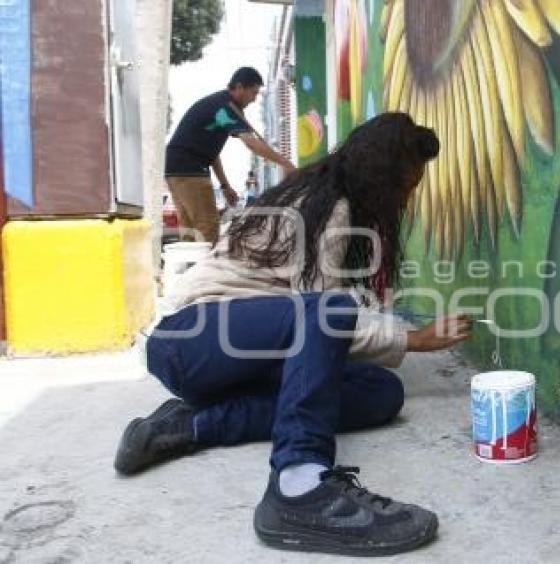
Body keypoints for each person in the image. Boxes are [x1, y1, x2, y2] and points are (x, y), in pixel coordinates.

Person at [116, 113, 471, 556]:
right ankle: (299, 484)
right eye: (405, 186)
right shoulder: (330, 207)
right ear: (380, 175)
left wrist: (390, 336)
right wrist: (411, 339)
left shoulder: (326, 196)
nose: (405, 200)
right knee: (329, 313)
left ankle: (191, 424)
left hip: (231, 355)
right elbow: (326, 319)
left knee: (380, 392)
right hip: (190, 338)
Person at [165, 67, 295, 243]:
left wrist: (225, 185)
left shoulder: (220, 104)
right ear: (239, 87)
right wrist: (286, 163)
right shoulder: (225, 108)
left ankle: (190, 268)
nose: (255, 99)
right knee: (207, 227)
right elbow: (251, 142)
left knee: (190, 232)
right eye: (253, 93)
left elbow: (212, 154)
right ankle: (207, 270)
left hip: (176, 169)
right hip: (190, 170)